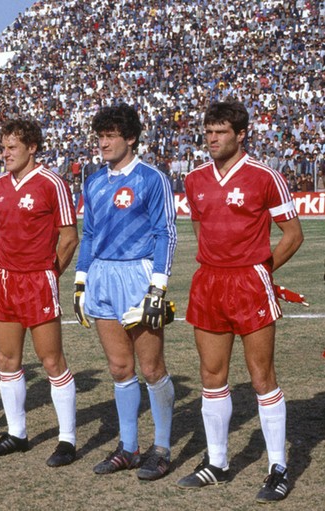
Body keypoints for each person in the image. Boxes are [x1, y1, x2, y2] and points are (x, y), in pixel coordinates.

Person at [177, 100, 303, 503]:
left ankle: (277, 467)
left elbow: (292, 234)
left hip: (250, 282)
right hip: (209, 282)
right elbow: (200, 227)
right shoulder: (195, 179)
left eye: (220, 132)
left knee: (261, 376)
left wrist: (261, 270)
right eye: (208, 132)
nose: (211, 139)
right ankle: (217, 462)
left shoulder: (265, 176)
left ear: (240, 134)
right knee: (212, 375)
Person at [74, 104, 178, 480]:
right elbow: (88, 234)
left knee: (151, 367)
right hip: (101, 274)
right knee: (120, 368)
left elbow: (166, 233)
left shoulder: (152, 178)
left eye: (111, 136)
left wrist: (158, 287)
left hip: (138, 273)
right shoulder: (93, 180)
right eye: (100, 137)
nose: (103, 143)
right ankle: (129, 447)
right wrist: (81, 280)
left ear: (131, 138)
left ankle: (162, 448)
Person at [0, 120, 79, 465]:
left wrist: (49, 275)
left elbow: (69, 238)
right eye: (3, 147)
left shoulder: (52, 183)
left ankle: (67, 439)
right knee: (7, 361)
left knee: (51, 360)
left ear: (33, 148)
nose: (5, 153)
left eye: (12, 147)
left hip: (37, 280)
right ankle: (16, 433)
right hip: (3, 279)